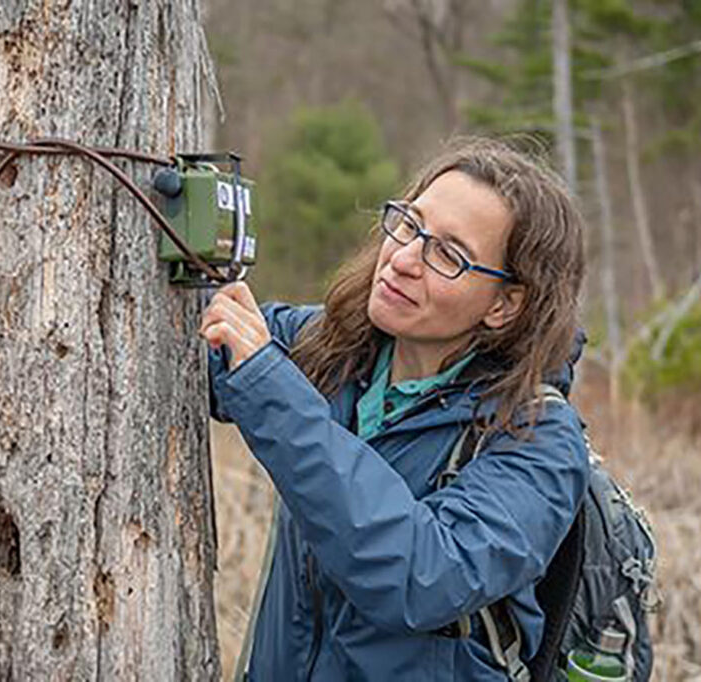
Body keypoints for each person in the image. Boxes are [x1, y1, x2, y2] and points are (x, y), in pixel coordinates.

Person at [201, 137, 589, 681]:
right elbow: (196, 348)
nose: (403, 260)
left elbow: (421, 577)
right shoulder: (329, 348)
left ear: (505, 304)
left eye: (449, 255)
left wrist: (267, 385)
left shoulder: (538, 439)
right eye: (410, 225)